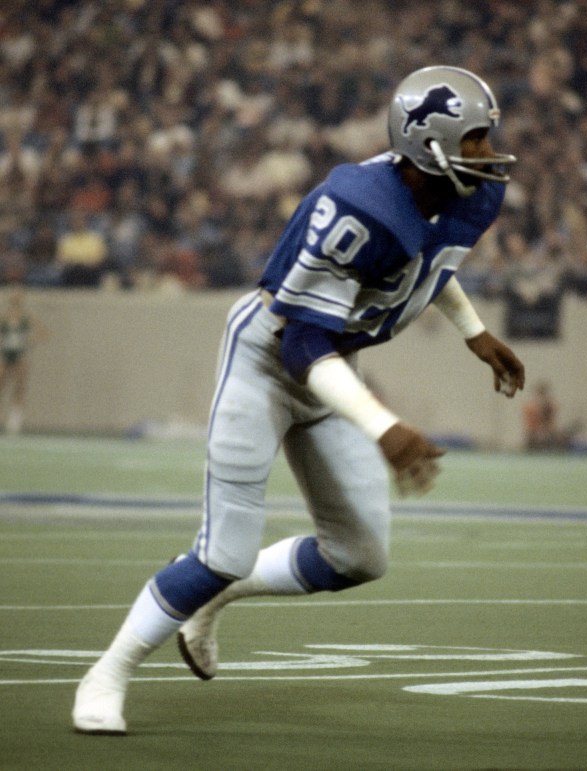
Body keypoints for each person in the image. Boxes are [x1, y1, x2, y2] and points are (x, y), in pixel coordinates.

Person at [72, 66, 526, 735]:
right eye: (478, 139)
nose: (490, 152)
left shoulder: (461, 195)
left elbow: (430, 264)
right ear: (430, 145)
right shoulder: (358, 208)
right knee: (222, 549)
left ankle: (216, 593)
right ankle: (108, 670)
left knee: (360, 555)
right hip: (270, 354)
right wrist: (383, 424)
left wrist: (474, 331)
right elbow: (301, 346)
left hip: (331, 364)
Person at [0, 285, 49, 434]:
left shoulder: (26, 317)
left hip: (20, 355)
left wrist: (30, 341)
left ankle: (15, 419)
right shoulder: (4, 316)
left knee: (19, 387)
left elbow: (44, 332)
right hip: (6, 353)